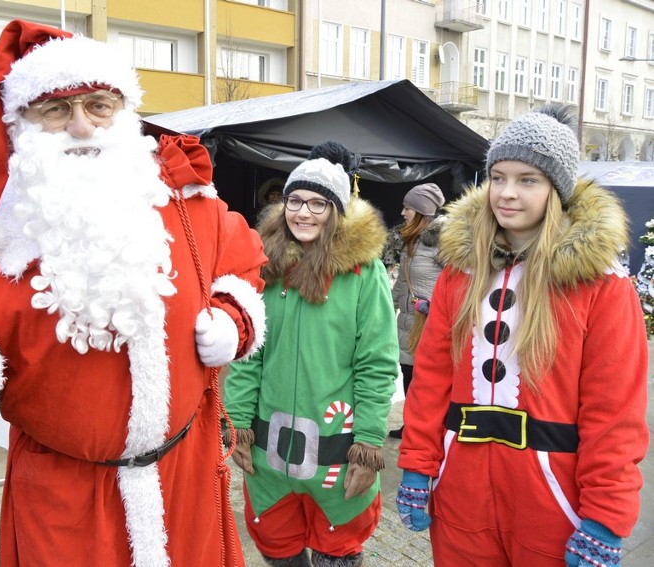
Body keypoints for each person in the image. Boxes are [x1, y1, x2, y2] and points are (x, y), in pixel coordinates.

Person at [0, 21, 267, 567]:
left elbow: (242, 264)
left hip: (189, 483)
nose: (81, 126)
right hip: (65, 508)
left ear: (124, 111)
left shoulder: (186, 206)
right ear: (20, 125)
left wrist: (233, 318)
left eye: (98, 105)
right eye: (56, 110)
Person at [395, 104, 649, 565]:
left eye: (527, 180)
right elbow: (431, 379)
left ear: (557, 188)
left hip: (553, 497)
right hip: (460, 490)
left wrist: (607, 514)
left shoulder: (602, 286)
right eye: (498, 177)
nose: (507, 194)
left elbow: (614, 412)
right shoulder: (461, 272)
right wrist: (417, 465)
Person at [224, 141, 399, 567]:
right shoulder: (265, 265)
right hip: (270, 458)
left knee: (335, 555)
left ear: (336, 210)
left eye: (318, 203)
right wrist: (238, 425)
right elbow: (250, 354)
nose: (303, 213)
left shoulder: (362, 272)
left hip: (336, 456)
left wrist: (370, 443)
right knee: (278, 552)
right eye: (295, 200)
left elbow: (375, 362)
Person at [388, 183, 445, 439]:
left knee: (428, 382)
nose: (402, 212)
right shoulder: (411, 241)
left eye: (408, 208)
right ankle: (411, 426)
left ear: (421, 212)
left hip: (430, 323)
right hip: (408, 322)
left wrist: (433, 307)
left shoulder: (443, 242)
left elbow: (460, 283)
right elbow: (402, 280)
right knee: (409, 376)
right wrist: (387, 306)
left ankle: (427, 430)